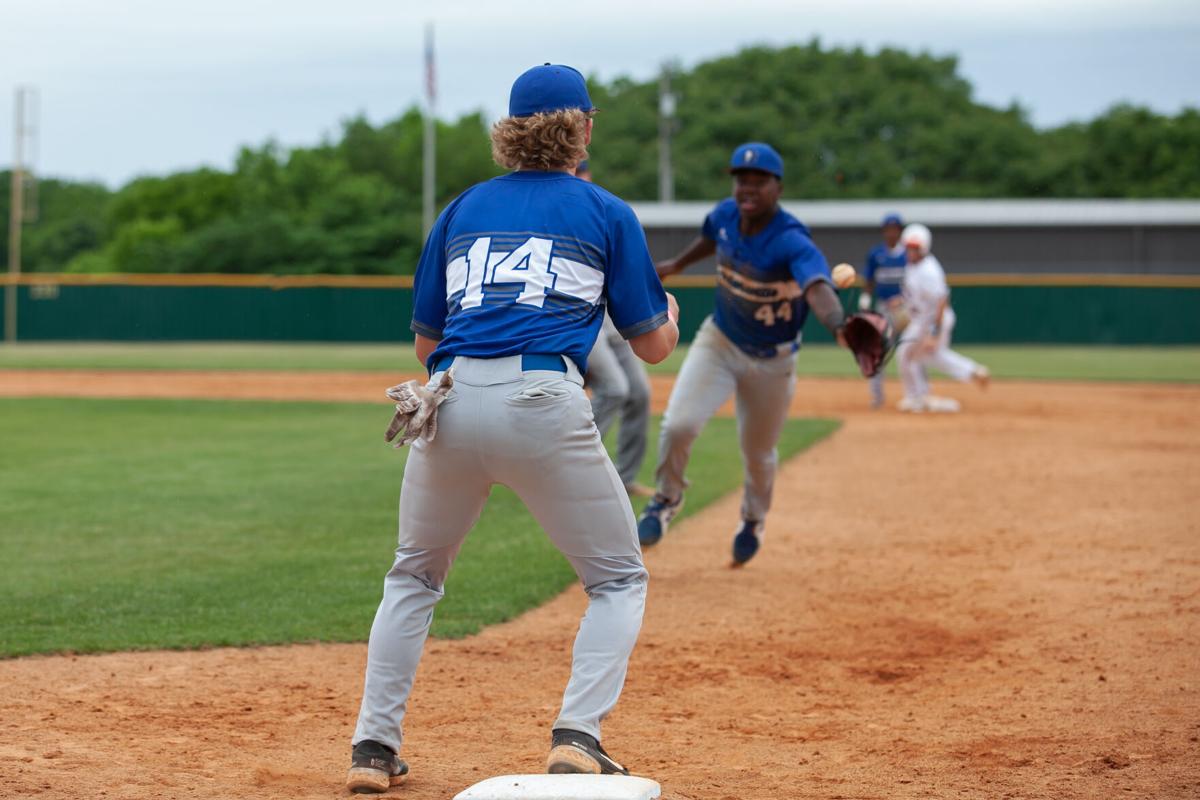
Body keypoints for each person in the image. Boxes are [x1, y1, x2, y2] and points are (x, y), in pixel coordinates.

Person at [346, 63, 680, 793]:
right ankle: (577, 735)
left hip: (451, 397)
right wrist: (672, 315)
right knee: (618, 578)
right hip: (542, 396)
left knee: (413, 576)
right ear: (583, 129)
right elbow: (652, 345)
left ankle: (372, 748)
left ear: (510, 131)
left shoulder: (463, 207)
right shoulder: (605, 211)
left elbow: (427, 345)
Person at [641, 142, 849, 567]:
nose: (747, 188)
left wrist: (839, 325)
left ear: (778, 187)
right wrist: (678, 264)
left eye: (759, 181)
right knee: (679, 423)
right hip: (720, 341)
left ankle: (753, 520)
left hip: (773, 361)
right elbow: (710, 239)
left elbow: (817, 287)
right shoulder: (724, 216)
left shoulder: (791, 241)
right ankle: (666, 499)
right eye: (741, 180)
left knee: (758, 452)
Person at [575, 160, 655, 497]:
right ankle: (571, 467)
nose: (581, 181)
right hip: (581, 318)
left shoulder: (602, 212)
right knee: (615, 389)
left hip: (610, 317)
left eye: (584, 175)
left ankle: (624, 479)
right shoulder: (559, 217)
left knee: (640, 393)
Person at [895, 223, 989, 413]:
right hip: (923, 319)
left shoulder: (929, 270)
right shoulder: (914, 265)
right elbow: (916, 296)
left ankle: (916, 397)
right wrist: (901, 304)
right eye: (908, 247)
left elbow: (941, 301)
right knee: (927, 356)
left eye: (914, 247)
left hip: (932, 320)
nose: (910, 250)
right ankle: (972, 371)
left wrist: (933, 333)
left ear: (923, 248)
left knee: (907, 354)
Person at [859, 212, 908, 408]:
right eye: (888, 229)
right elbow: (869, 280)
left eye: (895, 229)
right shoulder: (876, 254)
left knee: (911, 350)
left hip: (906, 309)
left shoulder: (907, 254)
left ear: (901, 231)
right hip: (883, 308)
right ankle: (877, 397)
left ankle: (916, 394)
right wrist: (865, 298)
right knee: (878, 350)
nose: (891, 233)